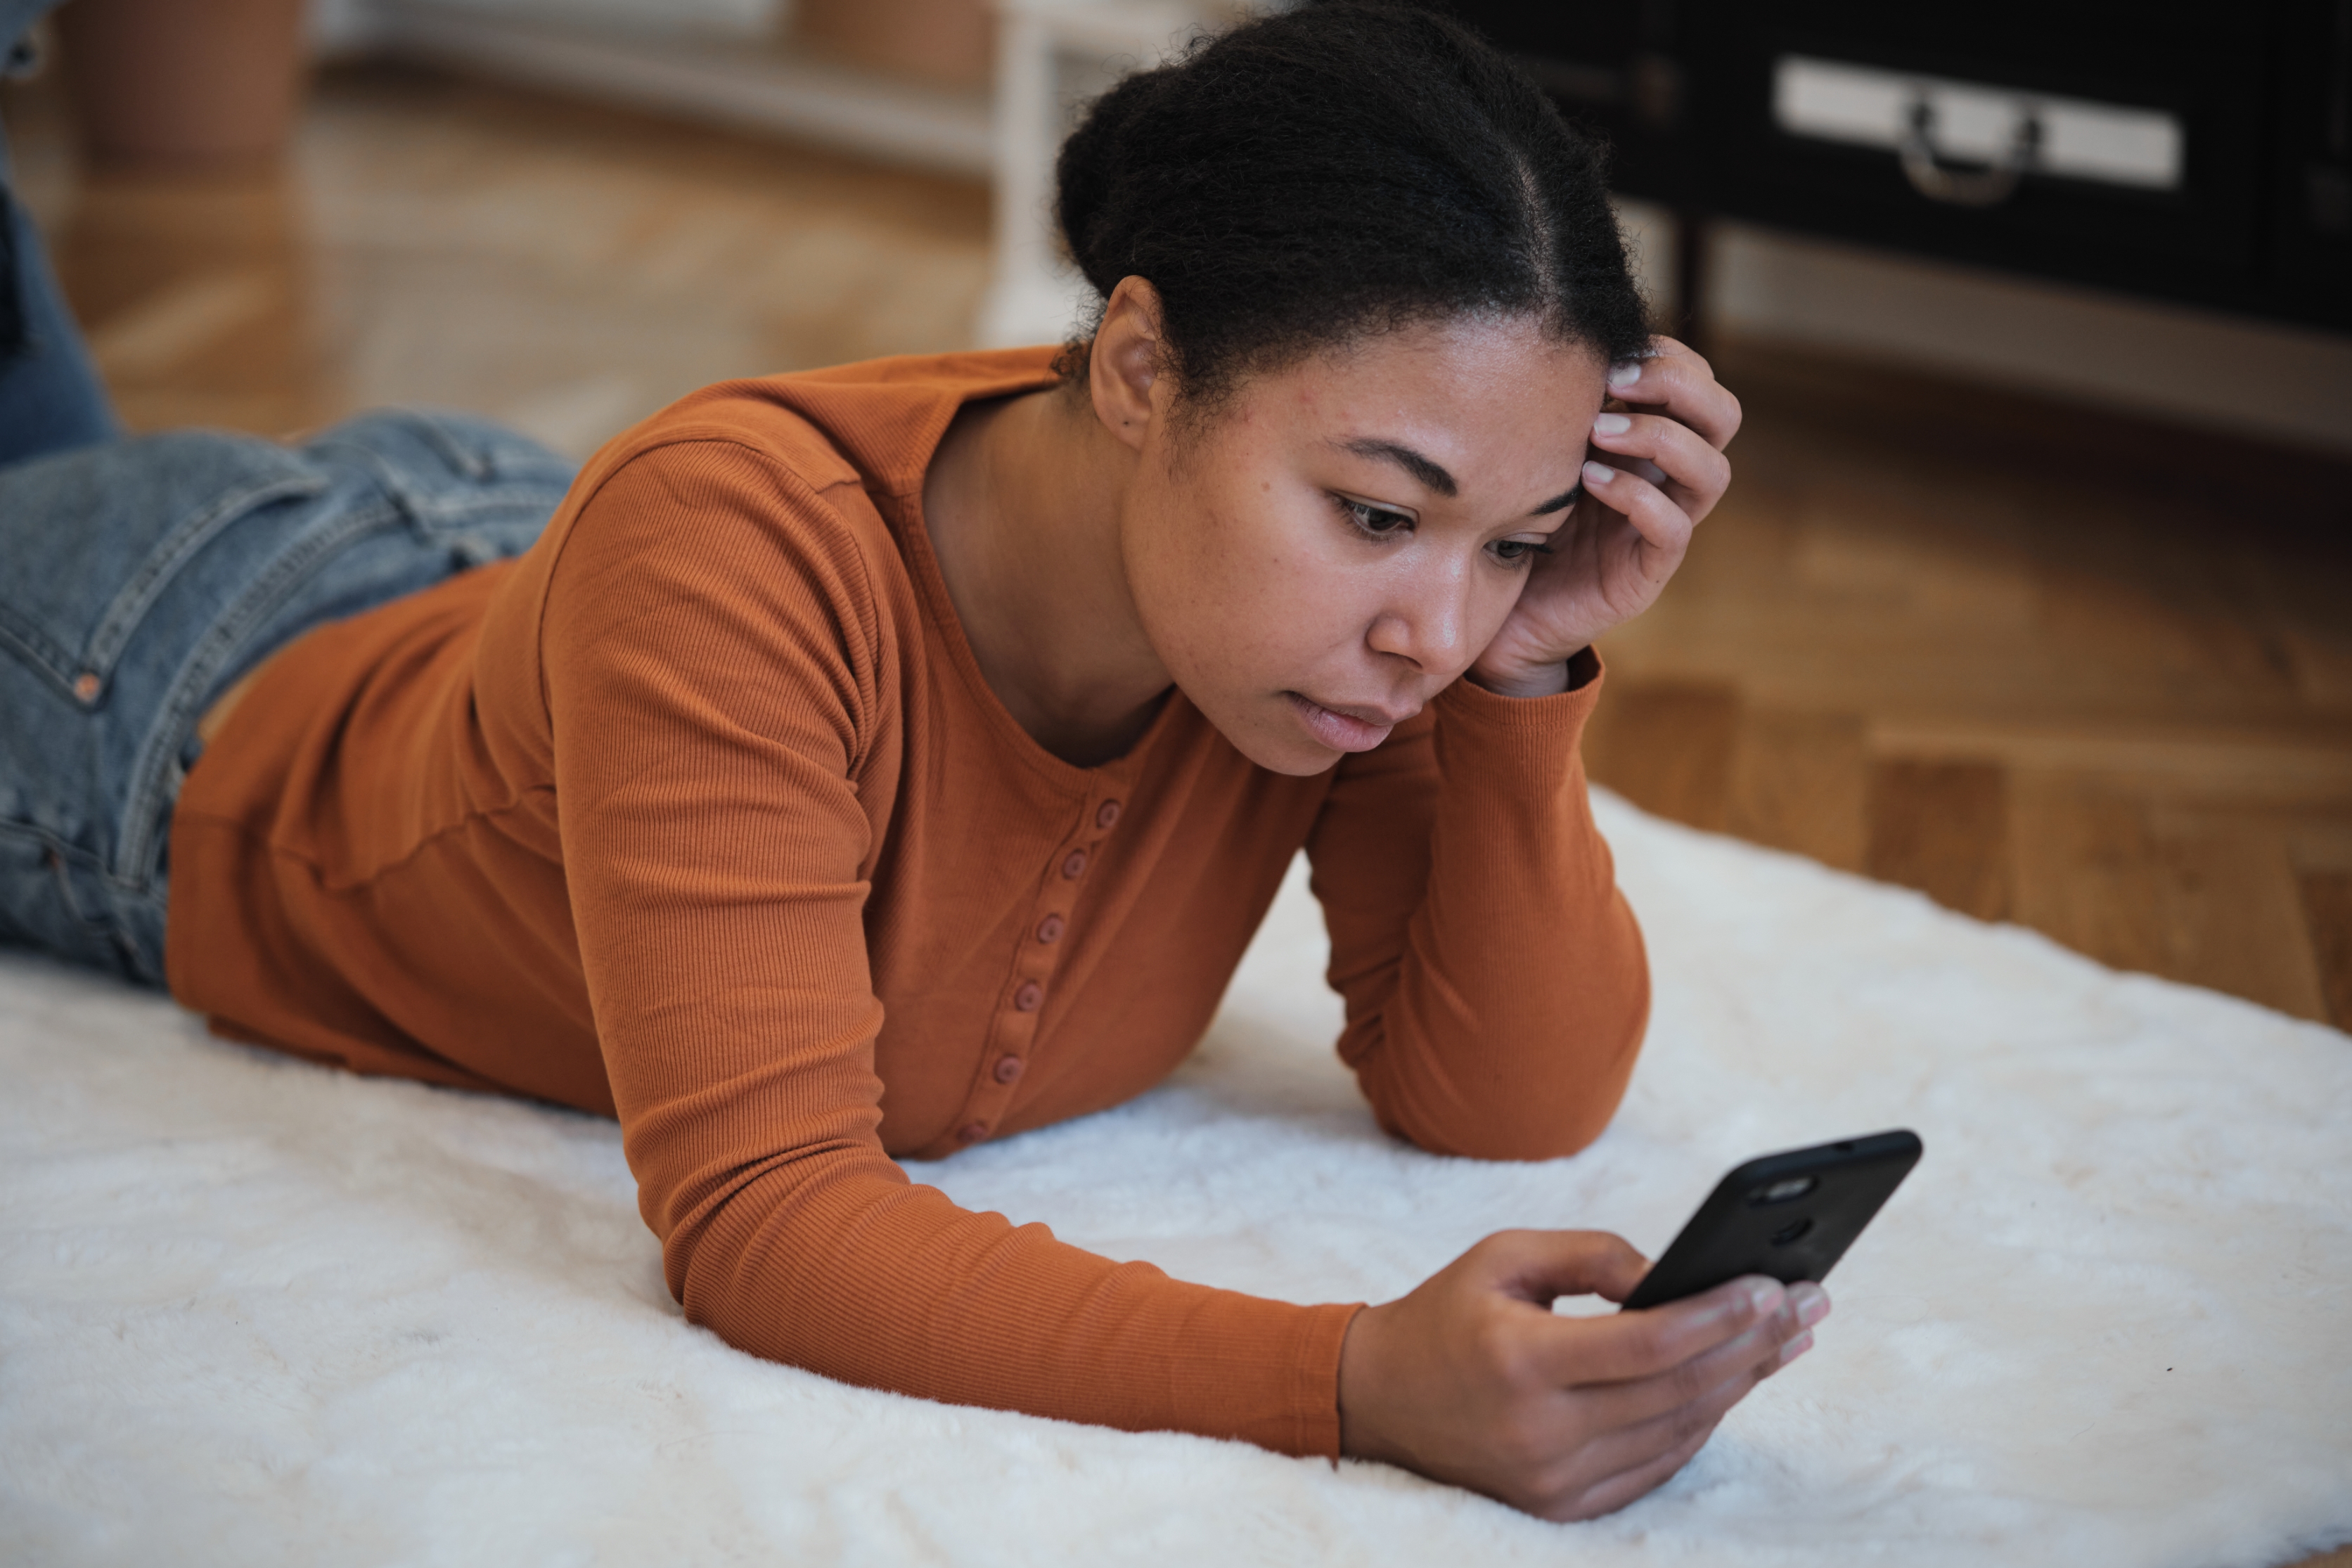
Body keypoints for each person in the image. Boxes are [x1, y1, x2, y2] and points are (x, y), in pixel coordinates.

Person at [0, 1, 1827, 1522]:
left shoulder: (1335, 637)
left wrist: (1529, 682)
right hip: (157, 682)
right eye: (1376, 513)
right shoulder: (736, 557)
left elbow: (1496, 1104)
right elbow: (765, 1224)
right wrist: (1349, 1379)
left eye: (1508, 537)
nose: (1430, 623)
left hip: (527, 582)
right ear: (1133, 366)